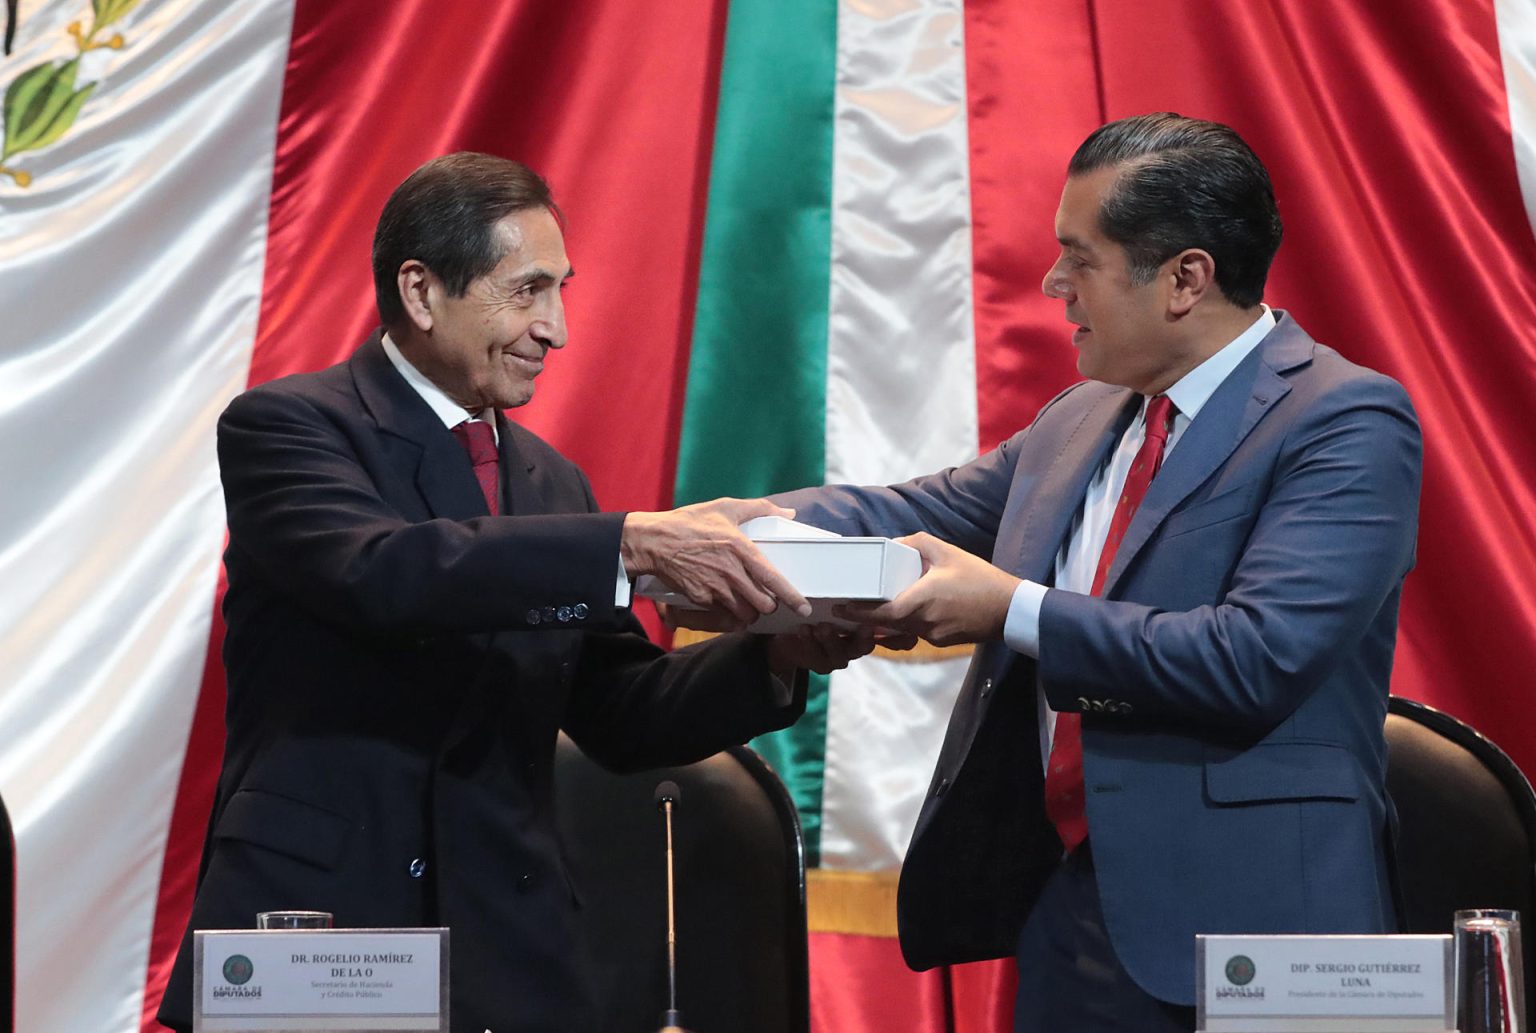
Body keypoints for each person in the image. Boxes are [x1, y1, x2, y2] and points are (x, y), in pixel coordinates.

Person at [157, 152, 878, 1033]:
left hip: (504, 945)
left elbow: (623, 712)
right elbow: (381, 572)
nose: (558, 328)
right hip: (321, 933)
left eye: (561, 289)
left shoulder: (551, 483)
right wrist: (631, 541)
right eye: (528, 290)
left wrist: (772, 655)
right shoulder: (291, 426)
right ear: (421, 292)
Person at [769, 113, 1422, 1031]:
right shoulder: (1085, 414)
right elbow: (907, 511)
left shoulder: (1344, 419)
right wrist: (724, 531)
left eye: (1079, 258)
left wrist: (1014, 609)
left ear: (1186, 279)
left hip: (1262, 935)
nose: (1052, 284)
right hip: (1076, 915)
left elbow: (1256, 655)